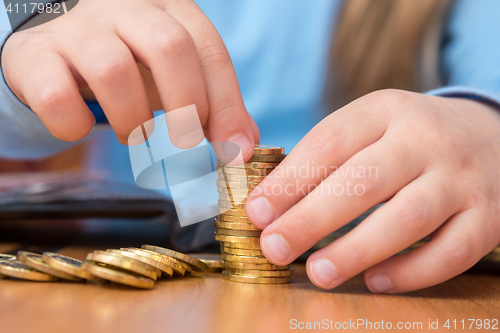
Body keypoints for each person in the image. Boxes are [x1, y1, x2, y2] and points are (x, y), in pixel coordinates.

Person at [0, 0, 499, 294]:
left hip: (349, 284)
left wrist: (484, 119)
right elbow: (24, 36)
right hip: (120, 266)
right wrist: (25, 36)